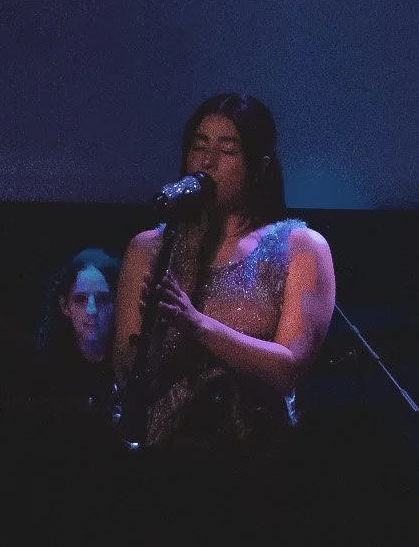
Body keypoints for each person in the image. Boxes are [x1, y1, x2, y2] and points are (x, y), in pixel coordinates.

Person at [113, 93, 336, 448]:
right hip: (166, 453)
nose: (207, 161)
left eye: (227, 150)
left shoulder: (300, 247)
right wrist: (154, 334)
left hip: (258, 454)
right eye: (198, 147)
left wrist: (196, 324)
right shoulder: (150, 248)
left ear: (259, 165)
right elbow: (127, 372)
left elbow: (289, 369)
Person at [30, 247, 122, 422]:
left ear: (116, 303)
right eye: (80, 299)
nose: (92, 310)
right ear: (65, 306)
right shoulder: (46, 373)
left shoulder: (130, 365)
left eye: (102, 299)